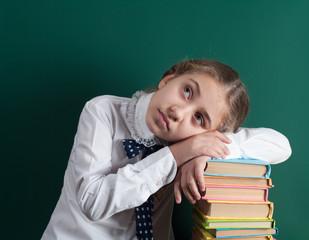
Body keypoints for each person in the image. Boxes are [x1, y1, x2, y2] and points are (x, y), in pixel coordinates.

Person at [41, 59, 291, 240]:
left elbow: (281, 146)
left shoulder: (194, 140)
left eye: (199, 118)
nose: (178, 112)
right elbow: (92, 202)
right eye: (186, 91)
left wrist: (208, 150)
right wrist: (177, 155)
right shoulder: (103, 112)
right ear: (168, 79)